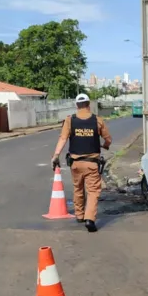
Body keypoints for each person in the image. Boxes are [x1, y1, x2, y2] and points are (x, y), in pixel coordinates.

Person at [51, 94, 112, 232]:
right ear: (88, 104)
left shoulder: (70, 120)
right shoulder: (97, 120)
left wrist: (56, 155)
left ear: (76, 106)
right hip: (92, 163)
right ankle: (89, 219)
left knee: (78, 188)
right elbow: (108, 139)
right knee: (93, 191)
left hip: (75, 163)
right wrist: (106, 145)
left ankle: (79, 215)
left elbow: (62, 139)